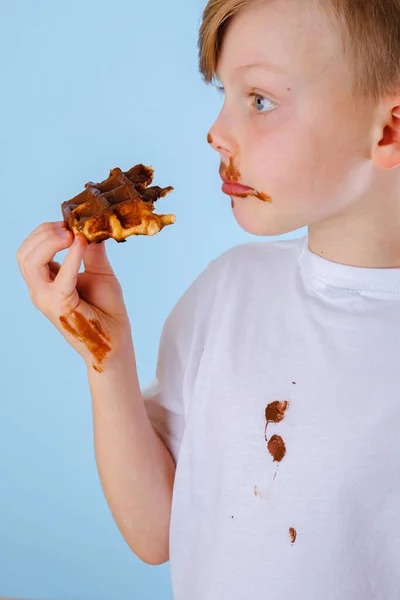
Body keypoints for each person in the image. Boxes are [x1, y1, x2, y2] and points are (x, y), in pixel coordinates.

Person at [16, 0, 400, 598]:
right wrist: (107, 359)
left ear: (390, 128)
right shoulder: (227, 292)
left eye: (260, 100)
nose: (217, 131)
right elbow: (155, 532)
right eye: (223, 94)